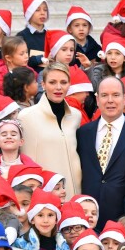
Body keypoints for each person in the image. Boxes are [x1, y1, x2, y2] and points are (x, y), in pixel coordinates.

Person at [77, 76, 125, 231]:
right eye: (104, 95)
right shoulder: (83, 133)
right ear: (97, 99)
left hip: (124, 222)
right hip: (87, 222)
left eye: (116, 95)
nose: (110, 100)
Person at [19, 62, 82, 197]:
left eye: (63, 82)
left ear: (69, 85)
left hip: (74, 193)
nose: (58, 87)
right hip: (45, 196)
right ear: (43, 84)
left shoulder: (76, 116)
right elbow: (25, 161)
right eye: (52, 82)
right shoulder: (26, 117)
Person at [17, 0, 49, 73]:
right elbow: (20, 60)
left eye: (45, 10)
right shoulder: (21, 36)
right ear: (29, 13)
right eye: (37, 10)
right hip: (30, 77)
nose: (42, 13)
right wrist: (41, 58)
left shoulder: (50, 35)